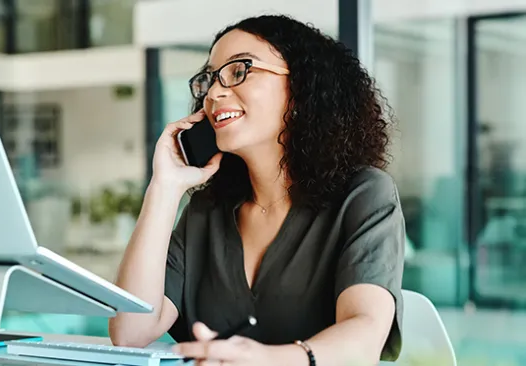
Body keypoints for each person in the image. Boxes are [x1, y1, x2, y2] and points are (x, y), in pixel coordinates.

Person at [109, 14, 405, 366]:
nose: (214, 93)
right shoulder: (207, 210)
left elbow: (365, 336)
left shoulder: (363, 195)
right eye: (209, 79)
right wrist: (164, 186)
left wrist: (268, 359)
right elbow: (129, 331)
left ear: (300, 87)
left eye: (239, 70)